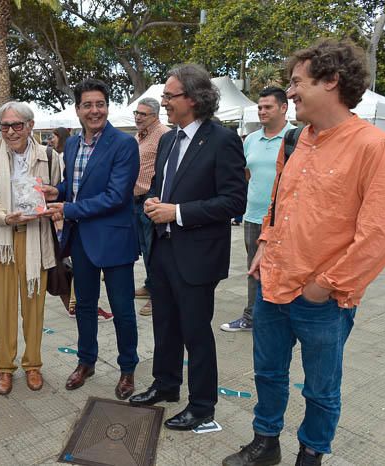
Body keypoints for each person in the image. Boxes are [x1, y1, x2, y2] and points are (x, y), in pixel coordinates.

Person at [223, 39, 385, 466]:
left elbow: (381, 234)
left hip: (322, 300)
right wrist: (265, 244)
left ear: (332, 80)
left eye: (297, 82)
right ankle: (265, 443)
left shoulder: (373, 146)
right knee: (268, 374)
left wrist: (325, 286)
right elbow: (276, 202)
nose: (290, 92)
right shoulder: (296, 140)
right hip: (272, 285)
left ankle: (311, 453)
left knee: (320, 389)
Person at [128, 64, 246, 431]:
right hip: (162, 253)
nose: (163, 102)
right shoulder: (167, 139)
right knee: (164, 325)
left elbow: (233, 201)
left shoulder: (223, 140)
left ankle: (202, 405)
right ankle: (165, 385)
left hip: (197, 257)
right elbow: (162, 187)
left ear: (193, 98)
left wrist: (176, 212)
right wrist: (154, 202)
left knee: (196, 332)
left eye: (168, 95)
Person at [42, 78, 140, 400]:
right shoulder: (70, 145)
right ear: (78, 109)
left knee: (123, 309)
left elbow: (116, 196)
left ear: (107, 107)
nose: (94, 110)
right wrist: (58, 190)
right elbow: (75, 182)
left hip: (114, 241)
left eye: (100, 104)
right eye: (88, 105)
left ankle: (127, 369)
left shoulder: (124, 145)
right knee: (83, 306)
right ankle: (86, 362)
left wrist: (68, 207)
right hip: (81, 239)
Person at [0, 101, 61, 396]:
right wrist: (2, 215)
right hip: (3, 240)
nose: (11, 132)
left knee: (34, 304)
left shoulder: (49, 155)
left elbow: (58, 196)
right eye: (5, 126)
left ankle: (33, 364)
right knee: (4, 306)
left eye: (17, 125)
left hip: (36, 238)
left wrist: (54, 195)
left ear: (30, 126)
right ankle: (4, 367)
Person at [220, 87, 295, 333]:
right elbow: (246, 174)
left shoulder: (296, 137)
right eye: (260, 107)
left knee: (286, 268)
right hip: (254, 217)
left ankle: (283, 317)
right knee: (255, 268)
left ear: (283, 108)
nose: (262, 111)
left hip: (286, 219)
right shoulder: (251, 139)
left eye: (268, 107)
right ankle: (252, 317)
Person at [132, 97, 170, 315]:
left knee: (153, 249)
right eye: (136, 113)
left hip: (151, 199)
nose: (137, 117)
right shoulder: (140, 135)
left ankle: (159, 295)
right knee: (145, 248)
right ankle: (149, 284)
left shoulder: (163, 134)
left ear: (155, 116)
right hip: (136, 199)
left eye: (142, 114)